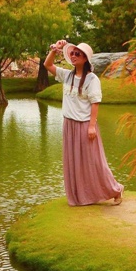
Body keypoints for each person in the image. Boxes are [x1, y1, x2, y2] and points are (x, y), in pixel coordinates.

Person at [44, 39, 124, 206]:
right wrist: (55, 50)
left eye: (77, 54)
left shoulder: (92, 79)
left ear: (85, 58)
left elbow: (95, 103)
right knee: (74, 163)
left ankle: (115, 189)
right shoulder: (67, 75)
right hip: (69, 125)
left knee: (93, 161)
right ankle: (80, 196)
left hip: (84, 124)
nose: (73, 56)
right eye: (72, 53)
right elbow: (48, 65)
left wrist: (92, 127)